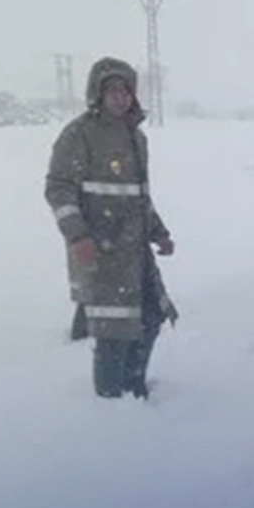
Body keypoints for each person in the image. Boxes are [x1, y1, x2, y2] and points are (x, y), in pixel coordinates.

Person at [45, 57, 178, 399]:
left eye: (126, 90)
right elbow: (58, 188)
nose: (120, 97)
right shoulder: (80, 134)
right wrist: (79, 235)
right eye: (113, 90)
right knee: (112, 329)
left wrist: (158, 232)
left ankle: (134, 386)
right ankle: (108, 401)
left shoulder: (136, 137)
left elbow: (138, 195)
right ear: (98, 94)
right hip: (102, 251)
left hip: (136, 251)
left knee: (151, 316)